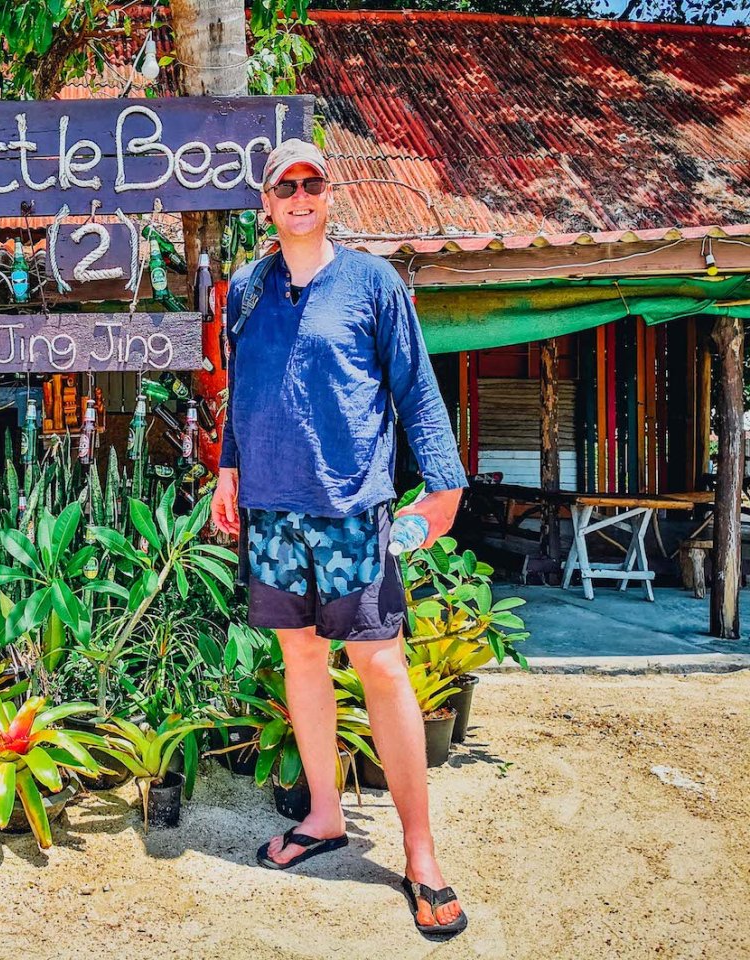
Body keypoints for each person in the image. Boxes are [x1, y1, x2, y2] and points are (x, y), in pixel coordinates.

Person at [211, 139, 470, 938]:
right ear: (264, 203)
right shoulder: (246, 291)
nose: (297, 195)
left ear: (330, 195)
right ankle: (324, 814)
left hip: (353, 508)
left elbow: (416, 388)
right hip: (273, 509)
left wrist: (445, 485)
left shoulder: (372, 283)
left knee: (383, 665)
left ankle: (420, 855)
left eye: (310, 182)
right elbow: (240, 387)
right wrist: (228, 468)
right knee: (299, 657)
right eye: (283, 185)